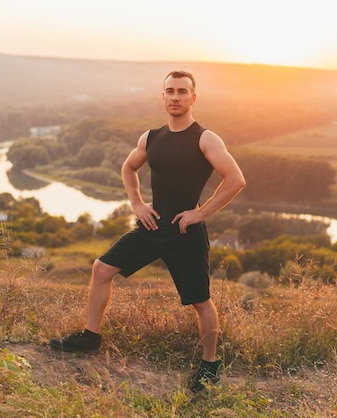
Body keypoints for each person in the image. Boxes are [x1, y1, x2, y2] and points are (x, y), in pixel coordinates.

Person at [50, 70, 246, 393]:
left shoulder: (205, 139)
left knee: (200, 302)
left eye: (183, 91)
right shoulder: (151, 137)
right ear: (162, 96)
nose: (175, 97)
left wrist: (200, 212)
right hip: (152, 225)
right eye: (169, 91)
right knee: (101, 269)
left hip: (185, 232)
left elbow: (236, 179)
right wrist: (138, 204)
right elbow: (128, 168)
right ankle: (90, 337)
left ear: (193, 98)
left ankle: (210, 366)